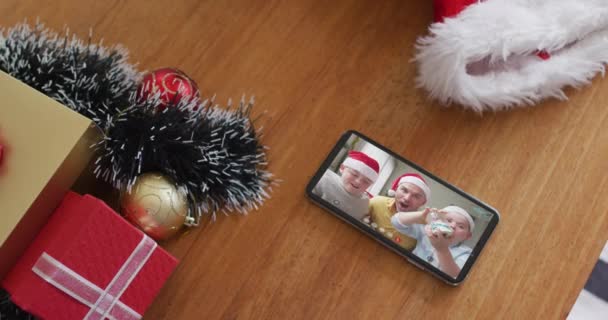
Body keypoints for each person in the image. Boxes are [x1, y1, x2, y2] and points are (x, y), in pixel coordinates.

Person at [390, 206, 474, 278]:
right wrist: (421, 215)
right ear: (439, 221)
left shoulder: (465, 253)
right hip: (406, 273)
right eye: (448, 220)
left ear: (467, 236)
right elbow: (395, 222)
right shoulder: (426, 232)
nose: (452, 226)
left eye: (461, 226)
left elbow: (456, 276)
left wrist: (442, 250)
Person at [366, 173, 431, 250]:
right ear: (396, 189)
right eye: (404, 190)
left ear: (423, 203)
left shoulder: (424, 229)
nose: (407, 198)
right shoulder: (375, 203)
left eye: (416, 196)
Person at [312, 150, 379, 220]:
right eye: (354, 174)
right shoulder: (323, 179)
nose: (358, 182)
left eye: (366, 181)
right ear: (342, 168)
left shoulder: (365, 203)